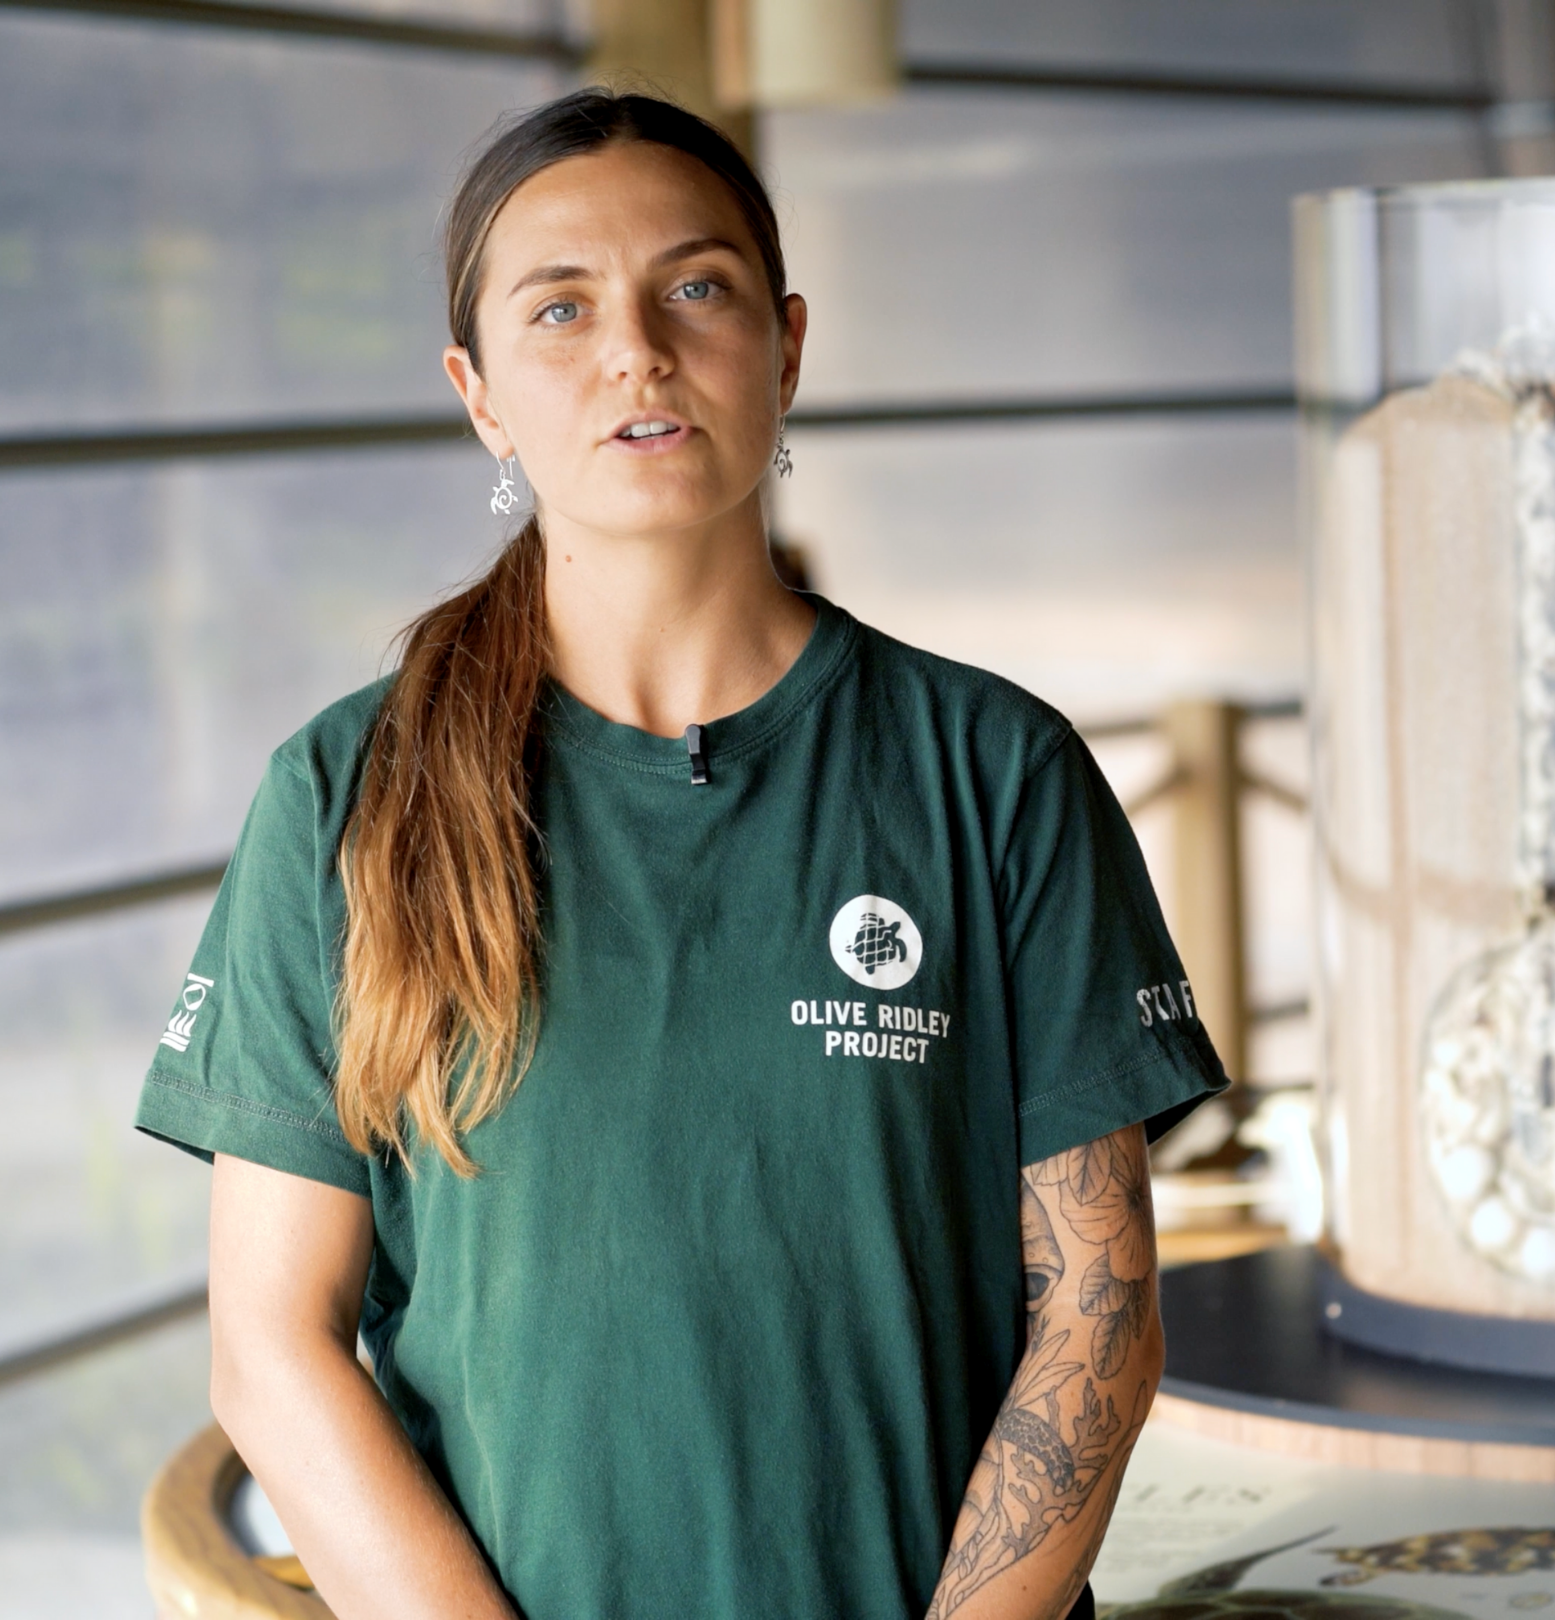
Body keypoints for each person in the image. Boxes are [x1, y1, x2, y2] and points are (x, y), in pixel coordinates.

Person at [135, 88, 1226, 1620]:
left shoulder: (995, 770)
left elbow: (1098, 1315)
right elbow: (273, 1347)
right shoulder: (344, 796)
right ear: (481, 394)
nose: (637, 350)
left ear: (786, 343)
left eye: (694, 289)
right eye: (562, 309)